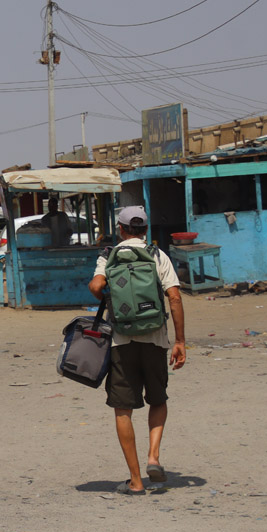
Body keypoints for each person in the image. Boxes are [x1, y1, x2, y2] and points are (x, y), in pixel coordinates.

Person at [88, 206, 186, 494]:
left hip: (122, 342)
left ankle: (136, 481)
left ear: (120, 229)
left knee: (123, 409)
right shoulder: (157, 255)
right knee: (158, 399)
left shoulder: (109, 256)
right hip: (155, 339)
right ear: (145, 229)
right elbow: (175, 298)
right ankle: (153, 457)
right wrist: (180, 341)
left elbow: (95, 285)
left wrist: (109, 295)